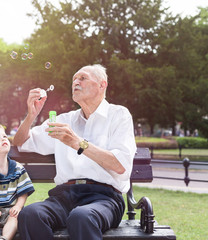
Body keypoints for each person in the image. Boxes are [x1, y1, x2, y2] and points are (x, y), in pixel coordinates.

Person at [13, 64, 137, 240]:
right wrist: (31, 116)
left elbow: (120, 165)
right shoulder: (64, 120)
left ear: (102, 85)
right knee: (31, 214)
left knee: (82, 217)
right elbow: (20, 142)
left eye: (83, 78)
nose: (75, 83)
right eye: (74, 80)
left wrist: (77, 142)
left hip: (104, 197)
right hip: (65, 196)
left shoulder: (118, 115)